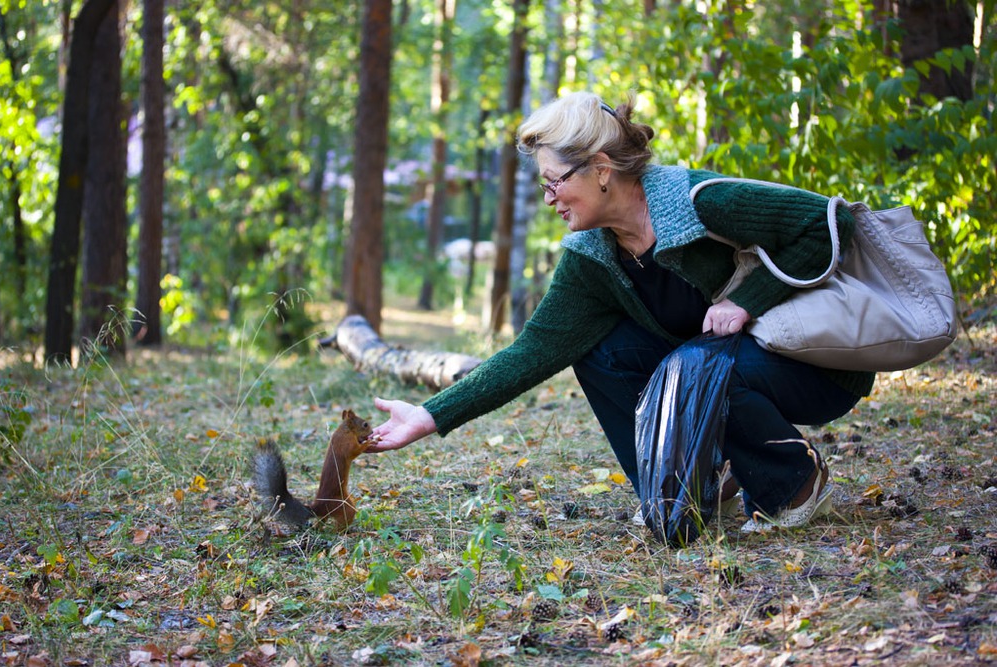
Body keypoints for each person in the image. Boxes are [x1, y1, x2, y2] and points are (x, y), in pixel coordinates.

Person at [367, 91, 875, 534]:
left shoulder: (699, 201)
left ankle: (794, 482)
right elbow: (534, 350)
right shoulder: (594, 255)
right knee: (600, 353)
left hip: (811, 366)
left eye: (554, 182)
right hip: (718, 370)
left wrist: (746, 301)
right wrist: (431, 415)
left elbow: (825, 223)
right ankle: (686, 483)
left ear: (602, 170)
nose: (549, 199)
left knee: (699, 365)